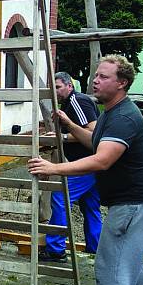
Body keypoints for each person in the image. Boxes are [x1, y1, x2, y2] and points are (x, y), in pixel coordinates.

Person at [28, 55, 143, 285]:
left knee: (111, 266)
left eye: (103, 77)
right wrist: (70, 125)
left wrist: (54, 167)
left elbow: (102, 159)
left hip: (132, 204)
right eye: (96, 76)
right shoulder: (111, 114)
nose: (95, 81)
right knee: (131, 258)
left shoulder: (124, 118)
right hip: (136, 201)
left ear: (122, 83)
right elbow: (95, 141)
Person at [39, 71, 103, 261]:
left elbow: (93, 133)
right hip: (93, 164)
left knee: (60, 198)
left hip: (88, 164)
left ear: (70, 86)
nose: (55, 91)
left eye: (58, 87)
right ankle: (96, 248)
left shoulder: (78, 101)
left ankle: (55, 250)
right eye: (53, 87)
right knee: (90, 206)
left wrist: (64, 137)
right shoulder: (68, 104)